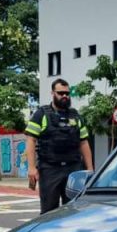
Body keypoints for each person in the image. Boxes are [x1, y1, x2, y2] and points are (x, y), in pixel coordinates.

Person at [24, 79, 94, 213]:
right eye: (60, 93)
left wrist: (90, 170)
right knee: (49, 212)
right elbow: (31, 140)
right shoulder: (41, 115)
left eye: (67, 93)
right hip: (50, 170)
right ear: (52, 93)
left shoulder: (76, 116)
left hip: (73, 170)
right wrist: (31, 168)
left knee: (74, 211)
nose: (64, 96)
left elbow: (84, 142)